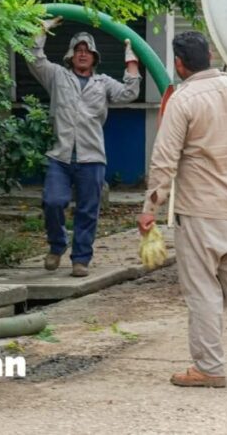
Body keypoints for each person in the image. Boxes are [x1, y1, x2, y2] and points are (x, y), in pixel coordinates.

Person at [138, 31, 227, 388]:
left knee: (203, 289)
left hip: (199, 212)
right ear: (210, 55)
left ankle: (208, 367)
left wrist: (150, 208)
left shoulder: (183, 100)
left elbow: (164, 159)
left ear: (179, 63)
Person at [29, 18, 141, 277]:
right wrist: (42, 30)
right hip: (61, 156)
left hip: (92, 157)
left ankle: (81, 259)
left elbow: (129, 93)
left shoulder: (103, 83)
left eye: (87, 51)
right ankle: (57, 245)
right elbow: (34, 59)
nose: (82, 54)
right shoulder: (57, 76)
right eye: (78, 50)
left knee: (88, 211)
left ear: (94, 57)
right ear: (70, 55)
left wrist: (131, 61)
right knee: (53, 201)